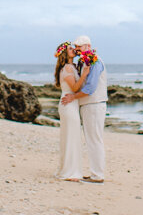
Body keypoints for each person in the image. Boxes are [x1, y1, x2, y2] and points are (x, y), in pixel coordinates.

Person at [60, 35, 107, 183]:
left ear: (87, 46)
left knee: (94, 140)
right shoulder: (84, 62)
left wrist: (73, 97)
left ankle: (98, 175)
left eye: (79, 47)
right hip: (87, 105)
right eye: (75, 47)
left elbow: (90, 88)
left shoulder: (95, 62)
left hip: (94, 104)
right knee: (91, 139)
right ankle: (95, 173)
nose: (77, 50)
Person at [53, 41, 88, 181]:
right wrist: (85, 74)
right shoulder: (67, 68)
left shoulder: (71, 66)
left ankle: (70, 169)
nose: (73, 49)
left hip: (72, 104)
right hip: (68, 105)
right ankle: (70, 172)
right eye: (69, 49)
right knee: (71, 137)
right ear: (64, 53)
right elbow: (74, 88)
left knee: (72, 136)